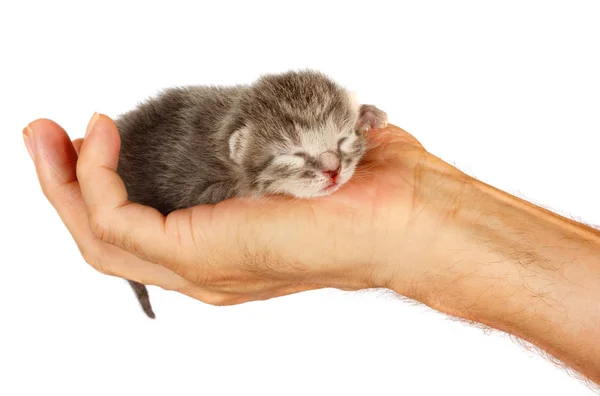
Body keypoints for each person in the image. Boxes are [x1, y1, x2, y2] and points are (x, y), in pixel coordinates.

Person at [23, 113, 600, 384]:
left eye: (341, 144)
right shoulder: (214, 160)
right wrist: (420, 225)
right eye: (301, 160)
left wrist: (418, 225)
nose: (329, 172)